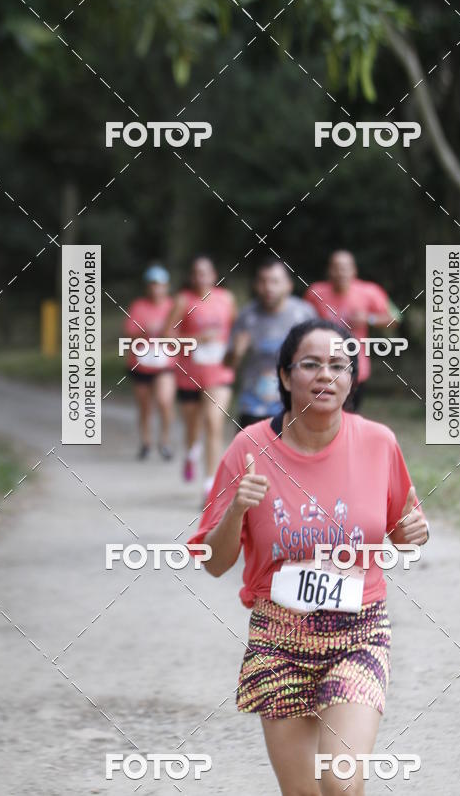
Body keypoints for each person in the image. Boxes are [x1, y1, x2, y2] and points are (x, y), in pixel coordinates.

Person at [187, 319, 428, 796]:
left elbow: (404, 527)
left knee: (341, 780)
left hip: (358, 632)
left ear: (352, 378)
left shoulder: (378, 442)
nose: (325, 375)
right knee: (302, 792)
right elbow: (213, 562)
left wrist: (414, 533)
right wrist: (236, 510)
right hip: (278, 636)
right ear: (284, 375)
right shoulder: (248, 448)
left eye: (338, 366)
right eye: (311, 364)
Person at [165, 256, 237, 496]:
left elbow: (237, 330)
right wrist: (196, 339)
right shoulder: (183, 300)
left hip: (219, 373)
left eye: (205, 272)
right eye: (196, 273)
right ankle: (191, 452)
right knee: (192, 427)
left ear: (214, 275)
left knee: (213, 424)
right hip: (189, 375)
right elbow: (167, 337)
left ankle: (210, 485)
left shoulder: (226, 299)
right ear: (191, 277)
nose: (200, 277)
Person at [225, 257, 317, 430]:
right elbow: (228, 364)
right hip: (253, 405)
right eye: (263, 281)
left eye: (275, 281)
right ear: (255, 285)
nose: (268, 287)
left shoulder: (304, 314)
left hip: (294, 405)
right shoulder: (246, 316)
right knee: (249, 448)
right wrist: (236, 353)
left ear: (288, 285)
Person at [304, 250, 400, 409]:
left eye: (345, 268)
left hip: (355, 366)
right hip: (322, 366)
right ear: (329, 270)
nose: (340, 272)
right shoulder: (315, 292)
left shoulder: (369, 291)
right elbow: (302, 322)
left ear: (354, 270)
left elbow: (396, 318)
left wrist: (369, 318)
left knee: (348, 415)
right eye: (336, 268)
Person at [124, 264, 176, 460]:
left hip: (165, 364)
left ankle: (165, 441)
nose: (156, 289)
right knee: (145, 406)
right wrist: (145, 331)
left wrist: (166, 333)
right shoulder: (139, 306)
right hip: (142, 363)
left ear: (166, 286)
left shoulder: (172, 306)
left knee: (165, 401)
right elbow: (129, 333)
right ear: (147, 287)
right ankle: (145, 442)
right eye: (153, 285)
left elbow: (181, 332)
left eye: (160, 285)